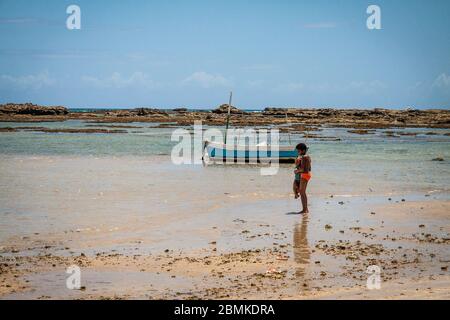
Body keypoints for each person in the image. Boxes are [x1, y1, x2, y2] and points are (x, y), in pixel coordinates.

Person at [293, 143, 311, 214]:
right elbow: (308, 168)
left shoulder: (304, 157)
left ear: (303, 150)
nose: (298, 152)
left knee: (302, 192)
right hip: (303, 175)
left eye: (298, 151)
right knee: (298, 189)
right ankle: (305, 209)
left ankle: (305, 209)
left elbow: (305, 169)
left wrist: (297, 171)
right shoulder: (304, 157)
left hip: (304, 175)